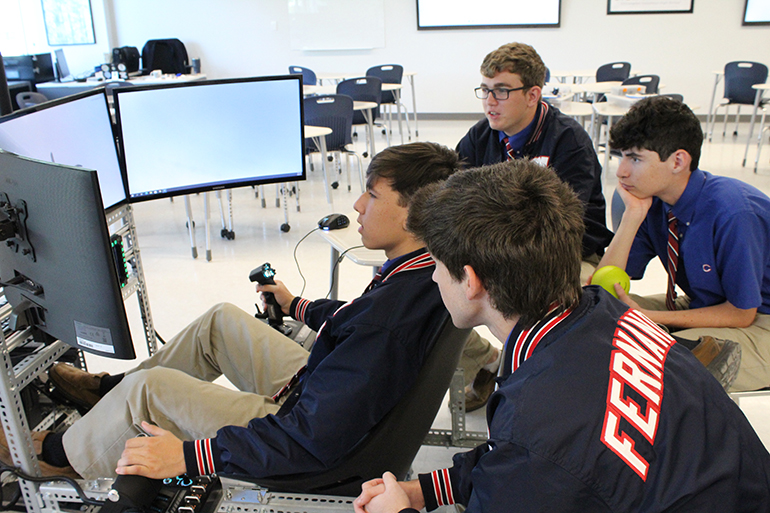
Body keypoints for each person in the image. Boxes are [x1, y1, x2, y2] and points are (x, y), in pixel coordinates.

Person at [0, 142, 461, 480]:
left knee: (151, 389)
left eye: (373, 195)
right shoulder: (424, 272)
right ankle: (105, 394)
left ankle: (58, 459)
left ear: (412, 212)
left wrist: (189, 456)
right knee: (219, 322)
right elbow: (357, 325)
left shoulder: (390, 319)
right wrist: (295, 304)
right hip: (328, 391)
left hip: (301, 432)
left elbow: (311, 439)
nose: (358, 204)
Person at [354, 160, 770, 513]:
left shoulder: (539, 425)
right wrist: (422, 491)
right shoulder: (598, 310)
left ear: (472, 282)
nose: (431, 275)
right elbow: (518, 457)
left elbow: (535, 452)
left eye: (438, 265)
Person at [455, 42, 614, 410]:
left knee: (536, 304)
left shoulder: (568, 140)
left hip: (564, 254)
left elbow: (569, 226)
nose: (490, 101)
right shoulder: (481, 137)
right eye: (485, 90)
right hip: (498, 251)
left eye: (501, 91)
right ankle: (488, 361)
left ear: (533, 94)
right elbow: (454, 199)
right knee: (439, 288)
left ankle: (539, 401)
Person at [597, 96, 770, 392]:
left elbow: (742, 313)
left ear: (678, 161)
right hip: (708, 304)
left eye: (635, 158)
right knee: (598, 313)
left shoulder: (733, 212)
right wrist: (632, 216)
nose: (621, 171)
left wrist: (650, 318)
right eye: (620, 156)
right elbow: (601, 287)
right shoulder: (652, 202)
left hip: (759, 320)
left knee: (661, 368)